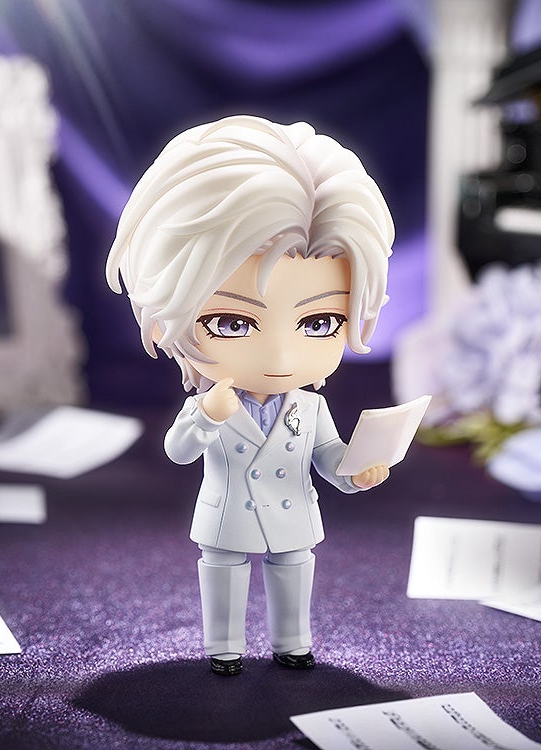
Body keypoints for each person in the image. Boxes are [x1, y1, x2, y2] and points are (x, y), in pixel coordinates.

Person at [106, 114, 394, 676]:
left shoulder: (310, 405)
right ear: (167, 315)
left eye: (318, 323)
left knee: (294, 570)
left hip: (292, 515)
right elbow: (178, 452)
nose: (281, 359)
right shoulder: (207, 403)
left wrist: (356, 472)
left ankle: (293, 642)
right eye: (232, 323)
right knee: (223, 573)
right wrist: (207, 417)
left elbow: (327, 455)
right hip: (226, 517)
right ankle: (224, 648)